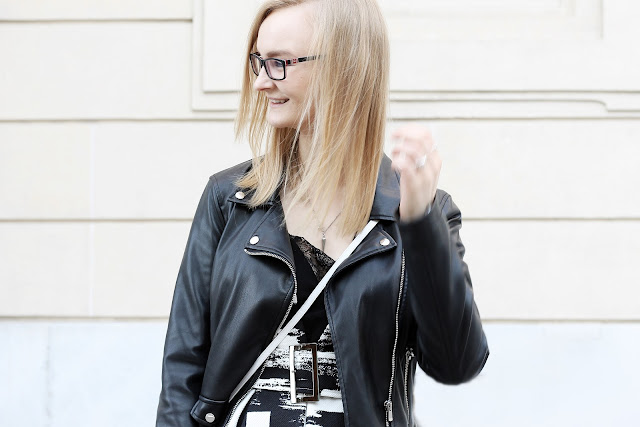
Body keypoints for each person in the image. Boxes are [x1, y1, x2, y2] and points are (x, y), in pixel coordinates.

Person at [156, 0, 489, 426]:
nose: (260, 82)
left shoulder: (421, 212)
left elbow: (456, 361)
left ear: (343, 67)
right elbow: (183, 368)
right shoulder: (230, 199)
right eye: (258, 62)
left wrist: (420, 224)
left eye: (279, 63)